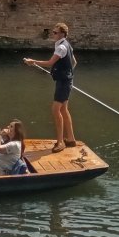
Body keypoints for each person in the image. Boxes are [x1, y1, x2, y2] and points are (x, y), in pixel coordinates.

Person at [23, 22, 78, 153]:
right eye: (53, 32)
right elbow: (74, 62)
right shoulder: (66, 45)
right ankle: (70, 139)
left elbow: (49, 63)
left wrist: (33, 62)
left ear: (62, 34)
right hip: (65, 80)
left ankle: (60, 142)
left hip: (63, 83)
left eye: (55, 32)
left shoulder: (61, 48)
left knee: (55, 110)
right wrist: (67, 73)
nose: (53, 34)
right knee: (64, 109)